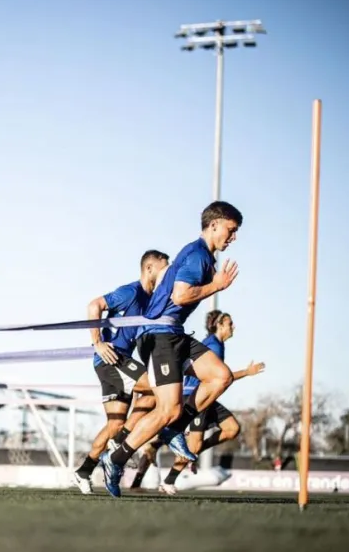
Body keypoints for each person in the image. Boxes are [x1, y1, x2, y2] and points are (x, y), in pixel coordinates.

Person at [99, 201, 242, 498]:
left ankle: (171, 428)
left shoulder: (202, 257)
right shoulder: (198, 256)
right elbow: (181, 293)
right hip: (158, 335)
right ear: (214, 224)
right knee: (167, 409)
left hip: (173, 332)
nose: (234, 237)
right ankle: (115, 459)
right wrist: (216, 286)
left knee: (220, 377)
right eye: (231, 229)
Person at [71, 250, 168, 494]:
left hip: (122, 361)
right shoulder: (131, 291)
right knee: (160, 390)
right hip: (112, 359)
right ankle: (119, 443)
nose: (167, 272)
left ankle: (84, 470)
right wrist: (98, 343)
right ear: (149, 269)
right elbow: (95, 305)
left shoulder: (150, 299)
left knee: (114, 425)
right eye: (163, 267)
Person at [157, 310, 265, 495]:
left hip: (209, 397)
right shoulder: (213, 346)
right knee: (194, 445)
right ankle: (168, 481)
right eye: (230, 323)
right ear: (219, 325)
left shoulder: (217, 345)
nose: (233, 327)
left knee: (232, 428)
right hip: (198, 396)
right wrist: (247, 372)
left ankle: (190, 453)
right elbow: (222, 377)